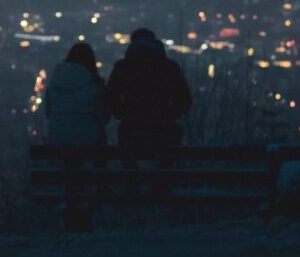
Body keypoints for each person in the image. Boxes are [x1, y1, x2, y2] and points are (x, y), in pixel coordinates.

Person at [106, 28, 192, 165]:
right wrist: (169, 115)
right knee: (165, 162)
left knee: (129, 162)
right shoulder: (169, 67)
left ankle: (132, 184)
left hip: (131, 126)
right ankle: (161, 184)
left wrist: (124, 114)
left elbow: (110, 98)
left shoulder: (123, 67)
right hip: (163, 127)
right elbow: (184, 99)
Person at [45, 43, 107, 147]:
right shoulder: (95, 85)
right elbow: (103, 117)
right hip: (88, 139)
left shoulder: (54, 82)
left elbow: (48, 113)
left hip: (57, 137)